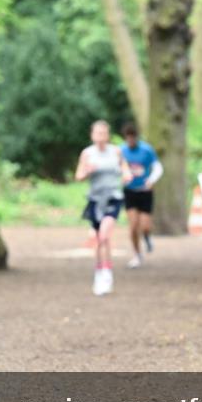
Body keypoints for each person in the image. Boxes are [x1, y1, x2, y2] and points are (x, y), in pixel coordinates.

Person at [75, 120, 131, 296]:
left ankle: (106, 274)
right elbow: (79, 176)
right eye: (97, 133)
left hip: (113, 198)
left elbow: (125, 168)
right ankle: (100, 271)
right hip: (95, 200)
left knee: (105, 234)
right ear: (92, 135)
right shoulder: (87, 154)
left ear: (108, 135)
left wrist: (127, 175)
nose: (100, 136)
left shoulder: (116, 151)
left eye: (103, 133)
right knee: (100, 239)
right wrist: (87, 171)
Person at [120, 123, 163, 268]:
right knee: (133, 226)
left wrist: (151, 180)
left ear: (136, 137)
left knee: (145, 226)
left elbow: (158, 167)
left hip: (145, 191)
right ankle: (137, 255)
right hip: (130, 191)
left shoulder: (146, 150)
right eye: (128, 138)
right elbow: (117, 167)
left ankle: (147, 236)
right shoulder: (121, 151)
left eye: (133, 138)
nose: (130, 141)